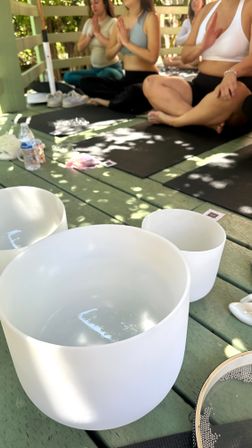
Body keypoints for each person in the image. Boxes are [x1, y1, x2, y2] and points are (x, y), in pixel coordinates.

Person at [143, 0, 252, 132]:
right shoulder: (206, 10)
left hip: (233, 86)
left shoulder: (249, 7)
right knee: (150, 83)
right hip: (200, 84)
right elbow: (185, 56)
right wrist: (203, 45)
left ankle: (175, 121)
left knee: (236, 92)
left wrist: (232, 73)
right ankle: (206, 121)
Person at [79, 0, 160, 114]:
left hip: (147, 79)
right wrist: (119, 44)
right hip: (127, 79)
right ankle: (125, 101)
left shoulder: (150, 18)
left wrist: (127, 43)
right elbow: (108, 54)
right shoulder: (121, 21)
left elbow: (152, 57)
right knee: (86, 82)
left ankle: (108, 102)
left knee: (133, 92)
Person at [63, 0, 124, 88]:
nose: (93, 6)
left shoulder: (113, 22)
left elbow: (113, 46)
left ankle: (90, 85)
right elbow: (79, 48)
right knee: (68, 76)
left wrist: (97, 33)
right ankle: (94, 85)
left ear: (105, 4)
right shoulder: (89, 23)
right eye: (91, 4)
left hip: (112, 69)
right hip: (94, 71)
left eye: (96, 3)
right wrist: (90, 35)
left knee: (104, 74)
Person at [163, 0, 206, 69]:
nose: (194, 2)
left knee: (195, 61)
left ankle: (189, 66)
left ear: (203, 2)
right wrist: (191, 33)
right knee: (166, 61)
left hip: (200, 57)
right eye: (192, 0)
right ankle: (190, 66)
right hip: (189, 57)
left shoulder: (206, 20)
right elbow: (178, 41)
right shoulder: (187, 22)